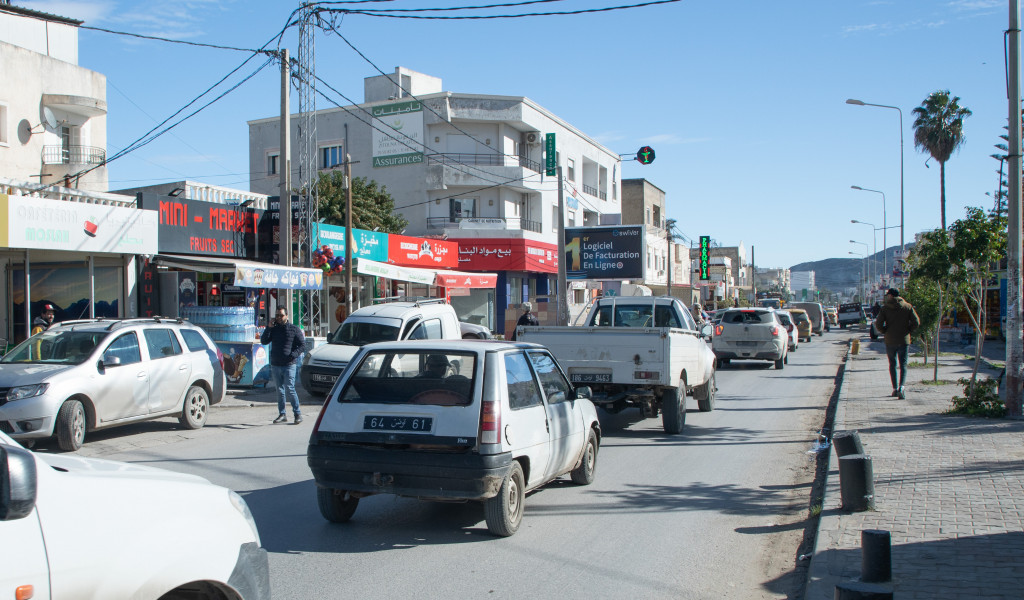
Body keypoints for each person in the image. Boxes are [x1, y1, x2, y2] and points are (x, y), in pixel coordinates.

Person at [260, 307, 306, 424]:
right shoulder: (274, 329)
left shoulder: (294, 329)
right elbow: (264, 341)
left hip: (289, 364)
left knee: (290, 388)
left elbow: (302, 345)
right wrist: (268, 328)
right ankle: (282, 414)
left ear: (286, 316)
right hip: (276, 364)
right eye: (277, 315)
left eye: (281, 315)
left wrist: (293, 355)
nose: (279, 318)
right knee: (279, 390)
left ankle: (297, 413)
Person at [874, 288, 920, 400]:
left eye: (888, 295)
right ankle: (902, 387)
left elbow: (878, 324)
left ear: (890, 296)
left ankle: (894, 389)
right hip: (904, 340)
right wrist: (908, 330)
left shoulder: (885, 308)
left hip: (890, 340)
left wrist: (885, 331)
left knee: (892, 364)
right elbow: (916, 322)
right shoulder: (907, 307)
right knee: (903, 364)